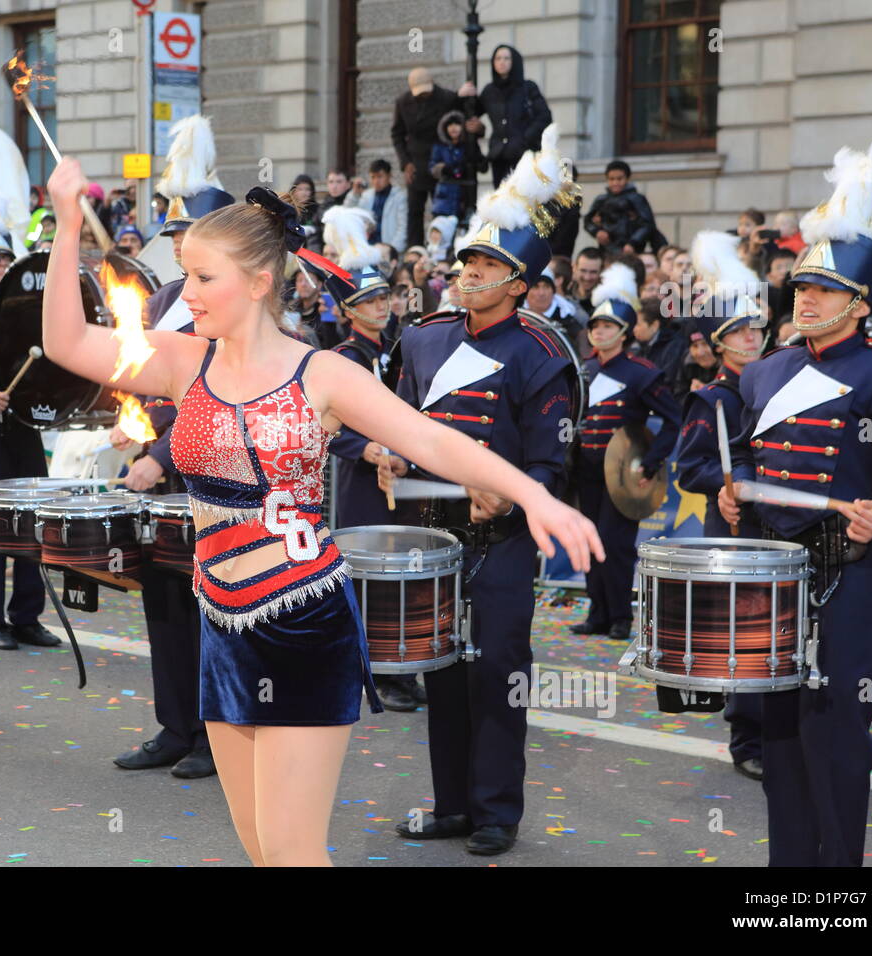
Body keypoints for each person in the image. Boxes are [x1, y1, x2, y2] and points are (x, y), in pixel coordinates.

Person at [41, 151, 602, 867]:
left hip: (302, 624)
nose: (190, 292)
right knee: (259, 851)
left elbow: (430, 438)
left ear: (259, 282)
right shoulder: (184, 360)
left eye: (205, 277)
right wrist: (64, 223)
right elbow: (64, 341)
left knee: (293, 852)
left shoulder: (322, 374)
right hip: (221, 623)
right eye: (187, 273)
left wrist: (532, 494)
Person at [717, 139, 872, 867]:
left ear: (860, 303)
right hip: (773, 575)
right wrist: (731, 487)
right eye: (800, 285)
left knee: (836, 737)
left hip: (851, 576)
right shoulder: (766, 372)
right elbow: (741, 452)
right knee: (779, 733)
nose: (804, 297)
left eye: (823, 290)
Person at [381, 127, 579, 856]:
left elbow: (554, 465)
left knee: (497, 672)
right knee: (440, 668)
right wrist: (388, 458)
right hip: (432, 533)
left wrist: (517, 494)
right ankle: (453, 804)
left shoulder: (540, 352)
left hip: (499, 541)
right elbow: (400, 423)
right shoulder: (427, 339)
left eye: (488, 263)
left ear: (520, 282)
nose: (469, 271)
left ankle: (497, 810)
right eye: (467, 258)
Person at [111, 112, 235, 779]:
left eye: (189, 234)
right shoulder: (160, 301)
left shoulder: (240, 308)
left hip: (216, 480)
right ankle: (174, 725)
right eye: (176, 234)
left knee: (216, 607)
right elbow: (148, 383)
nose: (179, 245)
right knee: (163, 600)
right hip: (161, 480)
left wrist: (159, 452)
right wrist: (128, 419)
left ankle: (217, 736)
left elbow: (218, 398)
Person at [320, 204, 423, 713]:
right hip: (362, 483)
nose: (381, 305)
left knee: (402, 568)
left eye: (384, 295)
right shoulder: (341, 359)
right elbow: (324, 426)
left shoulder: (397, 353)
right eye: (369, 300)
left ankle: (400, 663)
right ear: (348, 310)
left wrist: (401, 451)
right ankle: (376, 668)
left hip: (400, 476)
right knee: (369, 574)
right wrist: (367, 448)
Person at [673, 230, 769, 781]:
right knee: (744, 628)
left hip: (779, 522)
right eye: (740, 332)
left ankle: (777, 725)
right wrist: (725, 487)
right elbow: (690, 466)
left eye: (756, 328)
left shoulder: (780, 384)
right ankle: (746, 737)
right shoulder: (712, 397)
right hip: (733, 521)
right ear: (720, 343)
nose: (752, 338)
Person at [0, 218, 60, 652]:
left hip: (23, 429)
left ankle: (27, 617)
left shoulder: (26, 309)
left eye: (4, 258)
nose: (0, 265)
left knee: (31, 524)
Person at [572, 262, 681, 639]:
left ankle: (620, 615)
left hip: (623, 472)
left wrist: (651, 461)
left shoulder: (641, 372)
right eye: (595, 326)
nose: (599, 332)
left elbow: (673, 419)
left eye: (607, 326)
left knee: (615, 545)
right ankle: (597, 612)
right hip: (585, 470)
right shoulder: (582, 370)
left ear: (623, 333)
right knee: (588, 538)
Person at [391, 67, 476, 249]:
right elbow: (397, 135)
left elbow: (462, 115)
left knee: (442, 209)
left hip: (440, 161)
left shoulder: (446, 97)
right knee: (415, 210)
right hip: (415, 163)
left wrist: (463, 96)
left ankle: (442, 249)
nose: (423, 96)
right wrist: (405, 163)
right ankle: (415, 250)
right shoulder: (402, 102)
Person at [477, 44, 551, 188]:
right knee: (502, 200)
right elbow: (472, 113)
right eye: (498, 58)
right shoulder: (489, 91)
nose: (502, 62)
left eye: (506, 58)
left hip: (524, 155)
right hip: (499, 157)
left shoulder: (528, 88)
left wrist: (525, 138)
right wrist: (461, 96)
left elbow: (544, 117)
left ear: (514, 61)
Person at [583, 161, 660, 254]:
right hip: (607, 249)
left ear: (627, 179)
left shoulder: (636, 199)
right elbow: (588, 221)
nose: (615, 182)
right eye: (611, 179)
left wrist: (633, 243)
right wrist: (597, 232)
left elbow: (647, 224)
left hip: (631, 249)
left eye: (619, 179)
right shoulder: (601, 199)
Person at [429, 110, 484, 226]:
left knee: (465, 227)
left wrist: (474, 159)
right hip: (445, 197)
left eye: (457, 124)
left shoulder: (469, 145)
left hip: (465, 196)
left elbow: (483, 167)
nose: (453, 128)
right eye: (450, 125)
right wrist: (444, 168)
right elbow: (432, 168)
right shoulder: (440, 146)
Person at [346, 158, 408, 256]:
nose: (376, 181)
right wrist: (355, 194)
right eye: (373, 177)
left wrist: (392, 251)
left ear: (389, 176)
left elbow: (403, 227)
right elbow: (348, 215)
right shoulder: (366, 196)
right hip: (367, 249)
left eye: (380, 176)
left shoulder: (399, 197)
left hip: (388, 250)